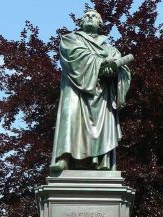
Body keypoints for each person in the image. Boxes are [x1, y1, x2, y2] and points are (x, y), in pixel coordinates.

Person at [50, 9, 133, 172]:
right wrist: (102, 63)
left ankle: (102, 161)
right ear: (80, 22)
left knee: (101, 124)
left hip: (101, 93)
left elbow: (122, 71)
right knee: (69, 116)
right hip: (75, 89)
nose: (89, 17)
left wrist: (115, 71)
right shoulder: (69, 39)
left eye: (94, 16)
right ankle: (64, 158)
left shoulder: (111, 49)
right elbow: (75, 56)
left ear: (100, 24)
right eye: (86, 16)